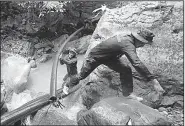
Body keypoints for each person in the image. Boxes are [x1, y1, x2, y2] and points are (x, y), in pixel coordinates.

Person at [65, 28, 165, 101]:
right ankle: (67, 84)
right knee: (82, 76)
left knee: (125, 69)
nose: (143, 45)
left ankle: (128, 94)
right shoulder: (127, 43)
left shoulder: (129, 38)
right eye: (144, 43)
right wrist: (154, 81)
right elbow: (136, 62)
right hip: (95, 57)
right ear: (138, 39)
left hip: (109, 57)